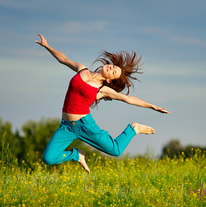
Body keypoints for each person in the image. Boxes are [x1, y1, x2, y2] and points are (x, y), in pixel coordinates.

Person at [35, 34, 169, 173]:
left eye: (113, 72)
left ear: (110, 80)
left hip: (85, 125)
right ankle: (76, 155)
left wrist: (153, 106)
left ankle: (134, 129)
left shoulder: (102, 90)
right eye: (113, 67)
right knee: (48, 158)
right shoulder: (82, 69)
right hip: (66, 126)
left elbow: (129, 99)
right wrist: (47, 46)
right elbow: (63, 59)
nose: (111, 68)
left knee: (116, 150)